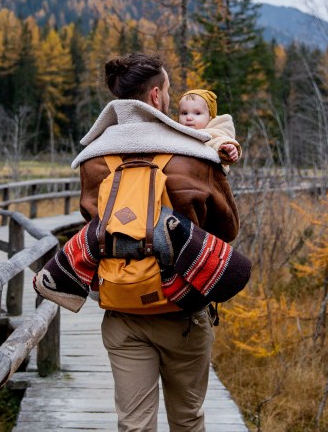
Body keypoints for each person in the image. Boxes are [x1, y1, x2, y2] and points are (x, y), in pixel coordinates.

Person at [71, 52, 239, 432]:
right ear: (156, 96)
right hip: (182, 310)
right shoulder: (195, 155)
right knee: (188, 419)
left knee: (133, 424)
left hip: (122, 310)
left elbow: (93, 222)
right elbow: (226, 231)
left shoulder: (94, 159)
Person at [177, 88, 241, 170]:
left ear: (210, 117)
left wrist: (229, 149)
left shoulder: (214, 132)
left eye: (197, 113)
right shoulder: (177, 134)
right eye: (184, 113)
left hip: (210, 178)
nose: (189, 117)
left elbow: (219, 139)